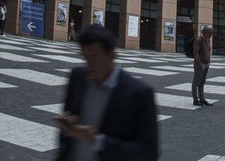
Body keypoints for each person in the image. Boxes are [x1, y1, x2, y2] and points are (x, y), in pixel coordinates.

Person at [54, 23, 160, 161]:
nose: (89, 64)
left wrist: (97, 140)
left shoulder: (139, 94)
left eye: (94, 57)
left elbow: (148, 153)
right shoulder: (77, 77)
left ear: (112, 56)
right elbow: (66, 136)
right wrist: (69, 127)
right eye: (85, 57)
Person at [191, 24, 213, 106]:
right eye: (210, 32)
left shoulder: (208, 40)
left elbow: (208, 51)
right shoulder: (198, 40)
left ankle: (202, 98)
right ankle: (195, 99)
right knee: (196, 81)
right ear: (206, 32)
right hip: (200, 64)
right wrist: (199, 63)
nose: (211, 34)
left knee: (202, 82)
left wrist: (209, 61)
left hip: (206, 64)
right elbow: (195, 52)